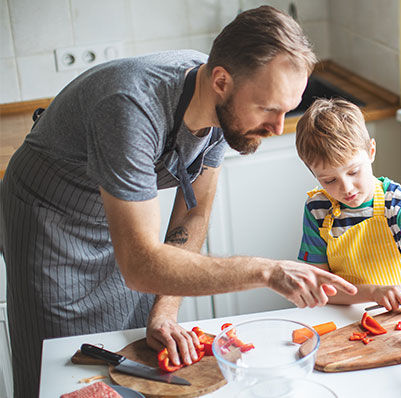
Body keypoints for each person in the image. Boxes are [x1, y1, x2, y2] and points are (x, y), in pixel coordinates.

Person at [0, 6, 356, 396]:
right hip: (53, 225)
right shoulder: (129, 108)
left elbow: (195, 211)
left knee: (131, 360)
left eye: (287, 110)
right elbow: (139, 265)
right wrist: (266, 271)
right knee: (66, 370)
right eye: (269, 109)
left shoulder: (225, 107)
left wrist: (165, 312)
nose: (277, 127)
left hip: (124, 219)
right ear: (221, 81)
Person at [294, 98, 401, 376]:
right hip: (344, 322)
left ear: (371, 151)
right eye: (329, 180)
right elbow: (320, 287)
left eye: (354, 171)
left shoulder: (400, 205)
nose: (346, 188)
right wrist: (373, 293)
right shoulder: (317, 210)